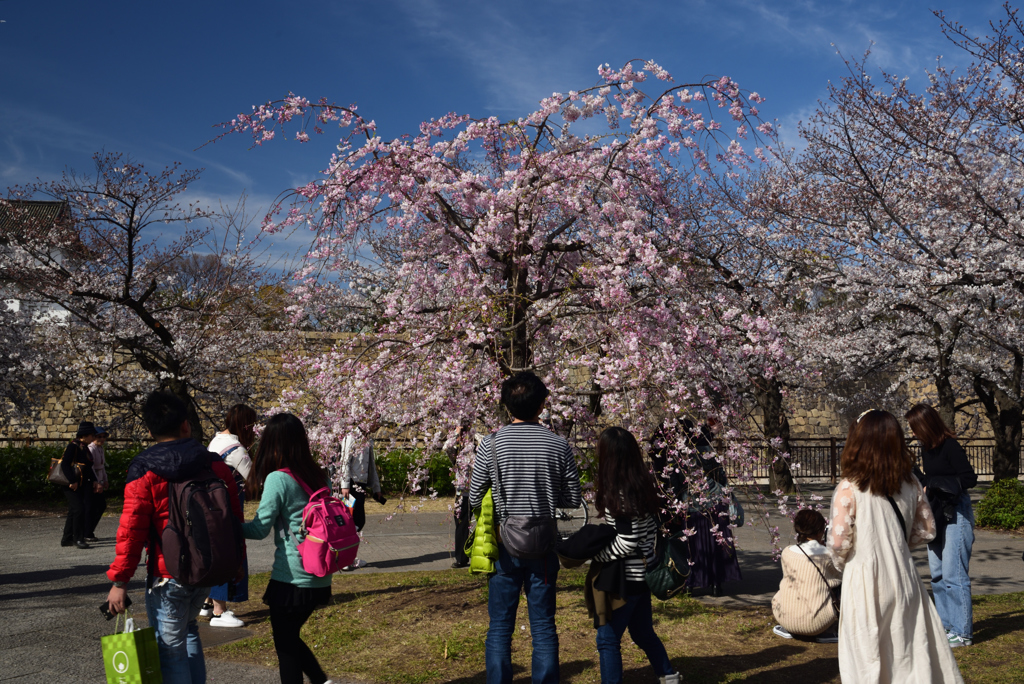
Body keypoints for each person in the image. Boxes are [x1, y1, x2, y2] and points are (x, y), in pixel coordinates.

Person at [105, 391, 245, 684]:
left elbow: (131, 532)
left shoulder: (144, 470)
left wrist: (120, 582)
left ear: (149, 430)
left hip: (168, 573)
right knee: (190, 628)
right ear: (186, 425)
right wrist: (236, 567)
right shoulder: (216, 464)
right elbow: (233, 522)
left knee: (171, 651)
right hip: (208, 568)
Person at [828, 409, 963, 683]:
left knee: (867, 655)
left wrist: (844, 564)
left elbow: (838, 543)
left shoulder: (849, 487)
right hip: (903, 577)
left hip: (864, 579)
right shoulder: (911, 483)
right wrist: (896, 545)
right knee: (908, 650)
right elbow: (926, 530)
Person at [469, 370, 582, 684]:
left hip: (505, 544)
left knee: (500, 627)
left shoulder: (490, 445)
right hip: (544, 544)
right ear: (543, 405)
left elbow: (474, 495)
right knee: (544, 626)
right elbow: (572, 499)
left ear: (506, 406)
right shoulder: (559, 446)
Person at [242, 413, 339, 684]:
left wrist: (228, 526)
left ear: (273, 443)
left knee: (286, 648)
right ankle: (322, 681)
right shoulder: (319, 475)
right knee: (290, 639)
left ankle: (321, 681)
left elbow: (259, 529)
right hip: (320, 574)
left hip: (291, 578)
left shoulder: (278, 479)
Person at [592, 426, 680, 684]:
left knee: (607, 639)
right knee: (642, 633)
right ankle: (668, 676)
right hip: (645, 573)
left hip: (625, 579)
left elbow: (627, 541)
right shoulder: (643, 484)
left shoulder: (619, 492)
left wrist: (598, 556)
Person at [905, 403, 978, 648]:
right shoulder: (927, 448)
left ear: (925, 425)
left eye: (914, 428)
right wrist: (914, 472)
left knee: (953, 574)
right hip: (935, 511)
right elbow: (929, 482)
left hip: (956, 511)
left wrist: (934, 483)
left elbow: (969, 478)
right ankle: (947, 626)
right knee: (937, 575)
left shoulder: (950, 446)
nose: (912, 434)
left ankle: (962, 631)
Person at [650, 419, 740, 597]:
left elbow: (674, 483)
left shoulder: (678, 455)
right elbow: (721, 477)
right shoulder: (707, 452)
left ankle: (691, 583)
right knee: (715, 544)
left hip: (691, 505)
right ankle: (716, 584)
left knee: (694, 546)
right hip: (715, 503)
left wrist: (673, 502)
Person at [202, 403, 257, 628]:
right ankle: (219, 611)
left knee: (213, 550)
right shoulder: (237, 449)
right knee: (229, 551)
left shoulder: (215, 441)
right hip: (229, 505)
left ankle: (206, 602)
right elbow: (254, 481)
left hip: (210, 504)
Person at [771, 509, 841, 643]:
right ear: (821, 530)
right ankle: (828, 631)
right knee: (841, 586)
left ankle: (790, 628)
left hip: (784, 617)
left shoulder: (787, 552)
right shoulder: (827, 556)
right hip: (817, 623)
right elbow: (840, 576)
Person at [339, 427, 384, 571]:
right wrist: (345, 484)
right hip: (351, 485)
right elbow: (345, 461)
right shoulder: (351, 436)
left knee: (356, 521)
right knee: (353, 520)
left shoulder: (368, 439)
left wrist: (376, 488)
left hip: (361, 484)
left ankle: (348, 557)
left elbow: (371, 466)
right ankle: (345, 558)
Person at [59, 421, 97, 549]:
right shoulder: (73, 446)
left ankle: (67, 538)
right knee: (79, 509)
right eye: (92, 435)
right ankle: (78, 538)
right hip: (71, 484)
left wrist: (94, 480)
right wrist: (72, 481)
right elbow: (65, 464)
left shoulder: (83, 447)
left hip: (80, 483)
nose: (93, 438)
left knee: (73, 510)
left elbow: (87, 467)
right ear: (85, 435)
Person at [86, 425, 110, 542]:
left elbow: (102, 467)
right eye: (99, 437)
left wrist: (105, 480)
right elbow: (91, 468)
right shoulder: (91, 449)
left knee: (99, 506)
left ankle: (89, 530)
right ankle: (87, 531)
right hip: (93, 480)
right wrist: (97, 482)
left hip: (99, 478)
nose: (101, 439)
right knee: (94, 506)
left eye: (103, 437)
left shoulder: (100, 449)